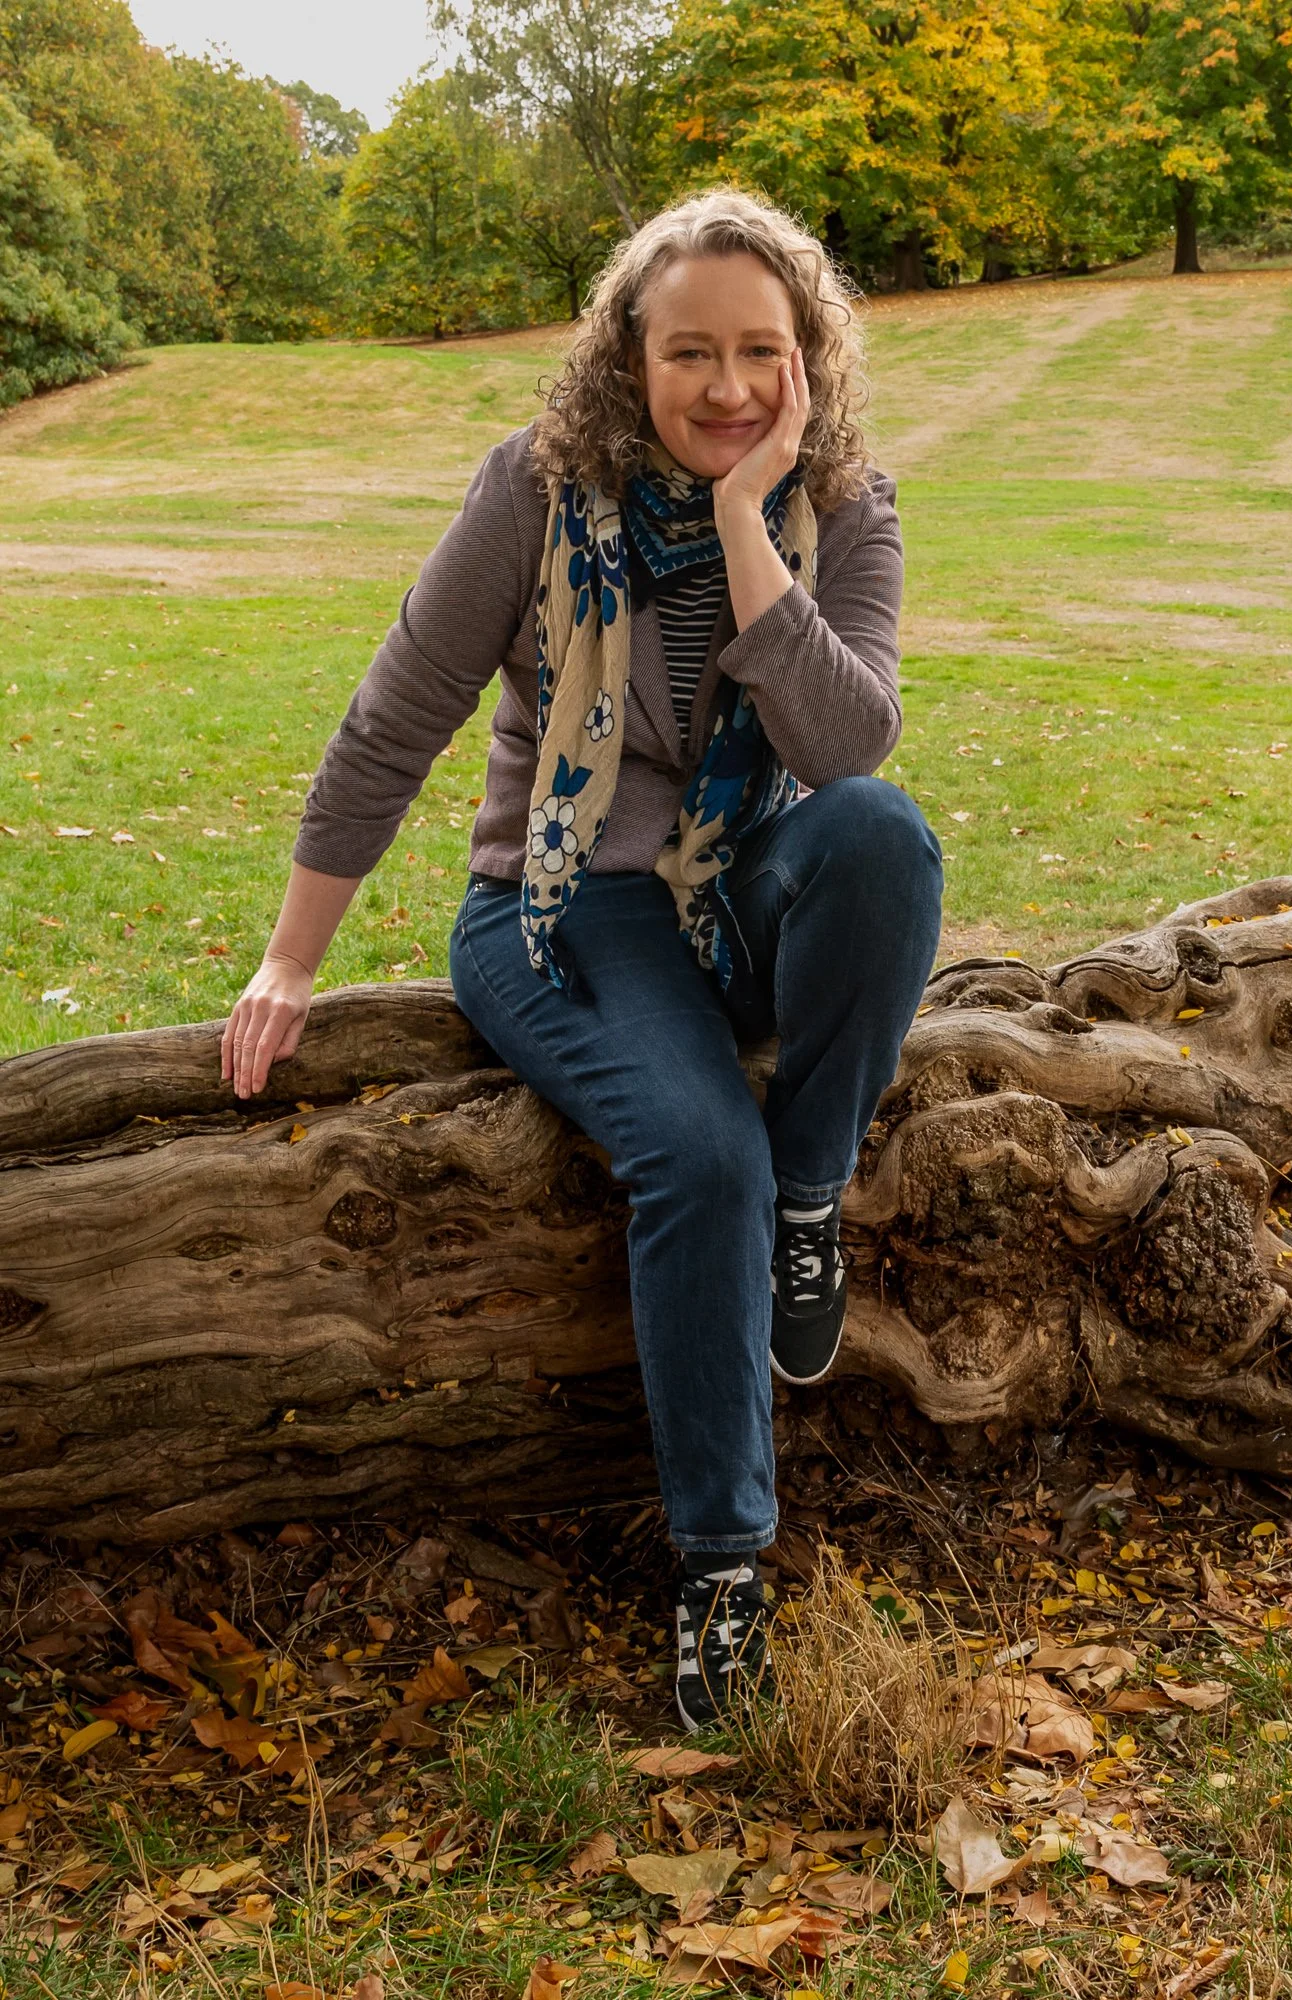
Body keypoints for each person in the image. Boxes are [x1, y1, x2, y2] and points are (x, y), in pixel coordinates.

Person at [221, 188, 943, 1730]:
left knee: (881, 834)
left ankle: (815, 1188)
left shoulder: (851, 507)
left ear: (809, 361)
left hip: (743, 889)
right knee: (699, 1157)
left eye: (763, 352)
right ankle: (724, 1569)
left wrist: (751, 519)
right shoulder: (539, 493)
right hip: (561, 911)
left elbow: (841, 738)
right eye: (692, 351)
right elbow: (394, 718)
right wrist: (290, 962)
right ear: (630, 354)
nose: (728, 387)